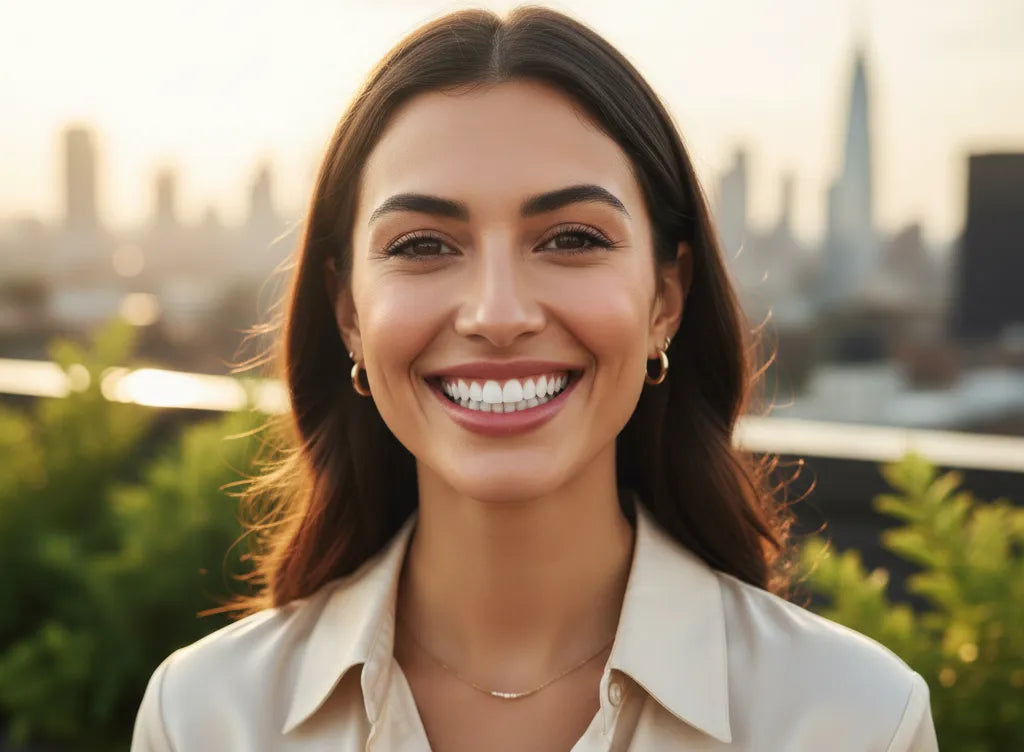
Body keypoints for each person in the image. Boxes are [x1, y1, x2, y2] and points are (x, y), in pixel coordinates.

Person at [130, 6, 938, 751]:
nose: (497, 312)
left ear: (666, 296)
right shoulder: (206, 716)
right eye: (421, 246)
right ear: (349, 314)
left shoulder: (854, 718)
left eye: (572, 238)